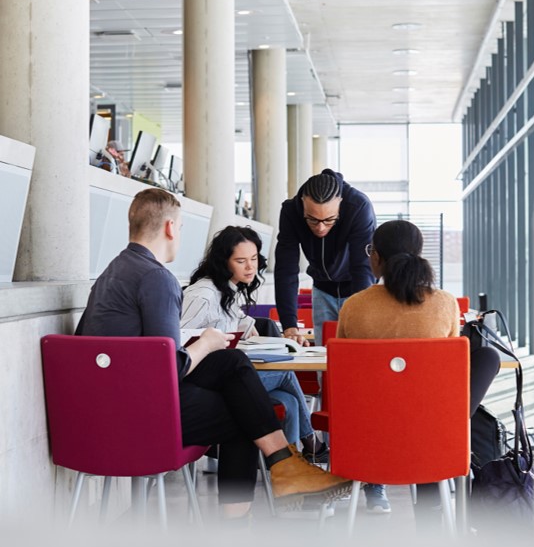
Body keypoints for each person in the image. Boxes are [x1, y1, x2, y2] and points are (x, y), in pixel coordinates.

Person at [75, 188, 351, 521]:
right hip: (139, 414)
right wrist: (204, 343)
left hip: (100, 409)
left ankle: (286, 467)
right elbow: (167, 371)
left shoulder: (111, 273)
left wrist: (208, 348)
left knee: (230, 361)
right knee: (242, 415)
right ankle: (254, 505)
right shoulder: (156, 278)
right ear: (170, 228)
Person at [336, 219, 501, 521]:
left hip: (368, 431)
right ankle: (435, 497)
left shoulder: (354, 306)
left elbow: (344, 372)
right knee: (485, 359)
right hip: (429, 433)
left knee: (416, 403)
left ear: (376, 257)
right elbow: (446, 369)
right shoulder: (445, 304)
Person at [180, 225, 328, 462]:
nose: (250, 267)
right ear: (224, 261)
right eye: (241, 261)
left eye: (253, 259)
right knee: (286, 374)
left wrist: (286, 340)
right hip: (203, 385)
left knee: (288, 400)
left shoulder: (226, 290)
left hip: (224, 378)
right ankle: (312, 445)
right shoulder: (203, 295)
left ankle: (287, 467)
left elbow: (248, 325)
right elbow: (179, 344)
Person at [274, 168, 377, 346]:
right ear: (302, 202)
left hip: (355, 288)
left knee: (358, 354)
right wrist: (289, 325)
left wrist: (363, 314)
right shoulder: (291, 211)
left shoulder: (358, 206)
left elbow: (362, 266)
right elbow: (286, 268)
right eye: (312, 220)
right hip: (322, 289)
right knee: (324, 357)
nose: (321, 228)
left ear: (340, 203)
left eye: (329, 220)